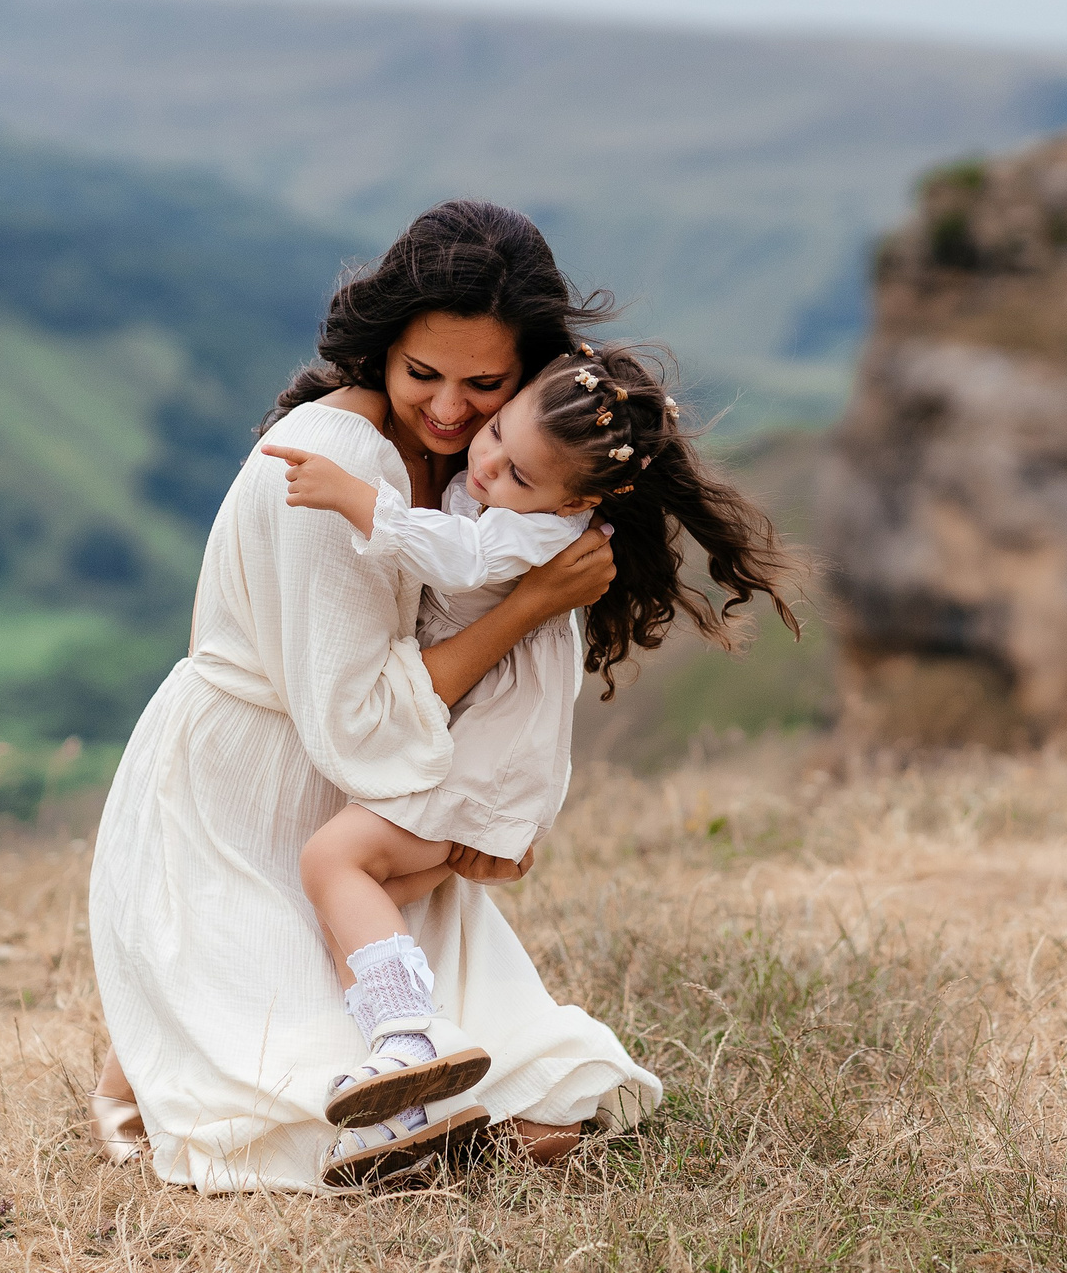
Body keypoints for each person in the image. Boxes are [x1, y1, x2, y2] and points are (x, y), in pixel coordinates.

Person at [85, 201, 660, 1191]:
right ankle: (177, 1042)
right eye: (422, 375)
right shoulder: (342, 461)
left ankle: (260, 1041)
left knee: (546, 1111)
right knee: (306, 1123)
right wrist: (529, 607)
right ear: (382, 347)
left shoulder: (488, 474)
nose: (447, 411)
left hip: (354, 796)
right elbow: (357, 719)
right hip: (246, 792)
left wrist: (482, 803)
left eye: (484, 386)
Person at [257, 343, 798, 1174]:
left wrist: (358, 497)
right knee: (363, 904)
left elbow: (459, 556)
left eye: (517, 474)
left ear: (575, 499)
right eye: (497, 433)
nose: (486, 464)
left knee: (333, 860)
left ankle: (409, 1035)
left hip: (476, 762)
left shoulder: (536, 534)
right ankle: (414, 1102)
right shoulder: (527, 497)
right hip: (483, 761)